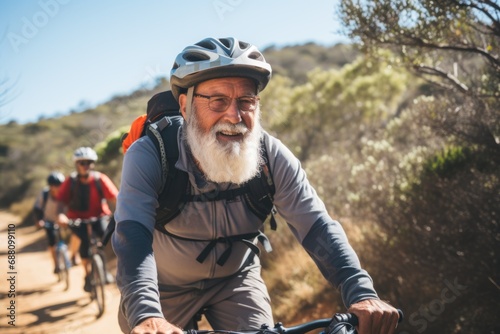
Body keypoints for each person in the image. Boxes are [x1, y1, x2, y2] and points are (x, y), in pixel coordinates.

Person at [113, 37, 400, 334]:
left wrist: (361, 292)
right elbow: (132, 235)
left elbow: (316, 226)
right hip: (164, 286)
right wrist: (146, 313)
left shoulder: (270, 156)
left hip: (235, 281)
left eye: (246, 101)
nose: (234, 116)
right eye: (218, 101)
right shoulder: (150, 154)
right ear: (185, 106)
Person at [57, 146, 119, 292]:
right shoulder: (70, 181)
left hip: (99, 217)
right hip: (77, 219)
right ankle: (87, 275)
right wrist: (61, 215)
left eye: (89, 162)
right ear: (76, 164)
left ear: (93, 164)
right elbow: (61, 201)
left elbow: (116, 198)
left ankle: (104, 269)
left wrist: (124, 211)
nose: (85, 166)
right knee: (84, 245)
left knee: (105, 240)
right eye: (82, 163)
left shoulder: (100, 179)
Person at [33, 171, 67, 274]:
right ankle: (56, 264)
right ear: (50, 186)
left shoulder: (65, 193)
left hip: (64, 220)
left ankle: (71, 257)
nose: (58, 187)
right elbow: (37, 208)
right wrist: (39, 221)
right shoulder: (44, 194)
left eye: (60, 185)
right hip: (49, 221)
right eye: (55, 185)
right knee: (52, 242)